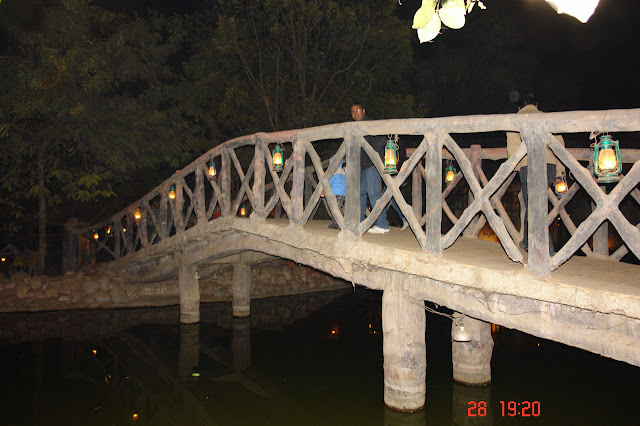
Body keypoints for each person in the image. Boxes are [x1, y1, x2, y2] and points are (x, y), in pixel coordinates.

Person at [506, 91, 565, 254]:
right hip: (549, 165)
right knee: (534, 203)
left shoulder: (515, 120)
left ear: (519, 106)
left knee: (533, 205)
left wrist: (518, 167)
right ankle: (527, 241)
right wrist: (560, 170)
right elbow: (559, 145)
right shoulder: (547, 118)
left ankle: (546, 250)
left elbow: (512, 149)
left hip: (528, 165)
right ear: (537, 105)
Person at [350, 103, 390, 233]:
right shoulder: (354, 128)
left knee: (374, 194)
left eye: (357, 110)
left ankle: (382, 224)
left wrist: (373, 156)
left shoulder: (371, 124)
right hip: (362, 166)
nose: (355, 113)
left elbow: (381, 140)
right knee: (360, 193)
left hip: (372, 164)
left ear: (363, 111)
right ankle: (360, 222)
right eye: (353, 112)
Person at [327, 156, 345, 229]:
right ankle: (336, 222)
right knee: (338, 207)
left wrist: (325, 191)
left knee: (335, 208)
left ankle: (340, 222)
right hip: (343, 192)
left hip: (335, 191)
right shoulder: (343, 172)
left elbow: (329, 182)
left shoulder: (332, 172)